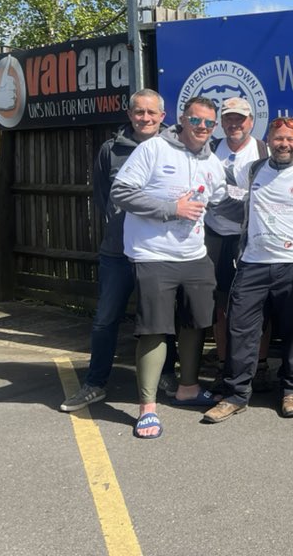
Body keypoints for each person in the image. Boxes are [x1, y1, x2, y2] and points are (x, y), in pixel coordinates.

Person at [111, 96, 227, 439]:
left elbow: (223, 199)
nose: (202, 128)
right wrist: (170, 208)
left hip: (194, 255)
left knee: (194, 322)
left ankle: (188, 388)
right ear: (181, 120)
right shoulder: (154, 149)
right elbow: (121, 191)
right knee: (154, 329)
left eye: (208, 123)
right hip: (153, 255)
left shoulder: (212, 161)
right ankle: (147, 408)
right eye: (196, 121)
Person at [203, 116, 293, 422]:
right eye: (278, 138)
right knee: (240, 330)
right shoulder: (253, 170)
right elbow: (231, 202)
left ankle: (291, 391)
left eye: (290, 139)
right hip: (252, 265)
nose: (284, 144)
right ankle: (235, 395)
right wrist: (206, 199)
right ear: (268, 141)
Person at [60, 89, 169, 411]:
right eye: (139, 112)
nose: (145, 118)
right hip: (118, 251)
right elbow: (103, 196)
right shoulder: (111, 150)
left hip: (157, 252)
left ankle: (165, 378)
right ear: (130, 114)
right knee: (105, 320)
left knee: (161, 319)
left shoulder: (174, 149)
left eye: (152, 113)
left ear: (162, 116)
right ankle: (95, 383)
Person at [203, 97, 268, 390]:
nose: (234, 124)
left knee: (258, 303)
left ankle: (261, 365)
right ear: (221, 122)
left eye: (240, 119)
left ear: (251, 121)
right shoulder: (209, 152)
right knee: (220, 305)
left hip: (253, 237)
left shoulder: (264, 151)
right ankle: (223, 364)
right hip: (216, 236)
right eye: (228, 118)